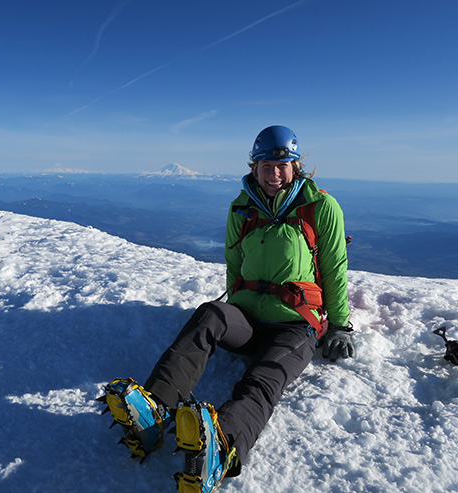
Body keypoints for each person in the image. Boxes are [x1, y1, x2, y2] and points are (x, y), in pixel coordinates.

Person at [99, 125, 354, 493]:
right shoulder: (241, 208)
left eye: (283, 164)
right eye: (266, 164)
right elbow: (233, 267)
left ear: (296, 166)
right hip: (248, 318)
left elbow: (334, 268)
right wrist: (233, 315)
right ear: (254, 167)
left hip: (296, 325)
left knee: (263, 378)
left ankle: (223, 446)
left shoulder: (320, 207)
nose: (274, 173)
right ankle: (153, 411)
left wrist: (341, 325)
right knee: (211, 314)